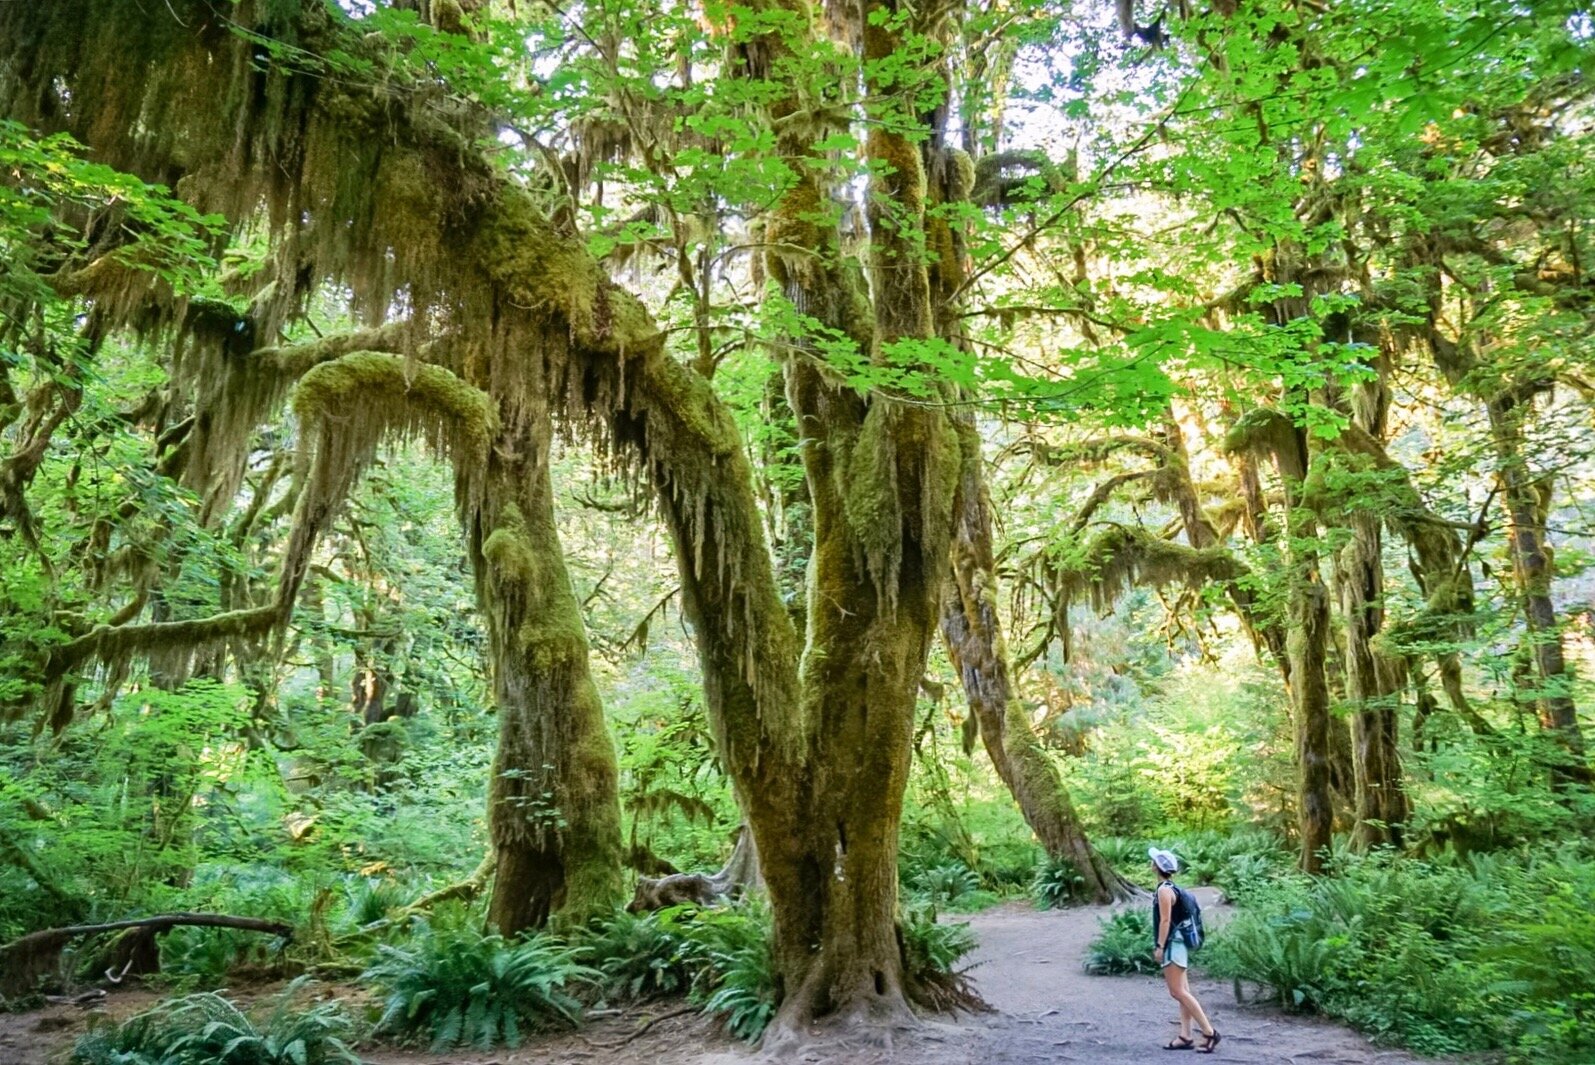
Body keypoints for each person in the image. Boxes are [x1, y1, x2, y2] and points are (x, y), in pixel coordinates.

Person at [1150, 847, 1221, 1053]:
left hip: (1173, 944)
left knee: (1177, 991)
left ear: (1156, 867)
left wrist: (1160, 947)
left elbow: (1165, 920)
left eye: (1153, 861)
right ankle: (1186, 1035)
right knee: (1183, 992)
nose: (1151, 863)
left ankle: (1209, 1033)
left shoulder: (1164, 890)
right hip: (1180, 943)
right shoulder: (1174, 888)